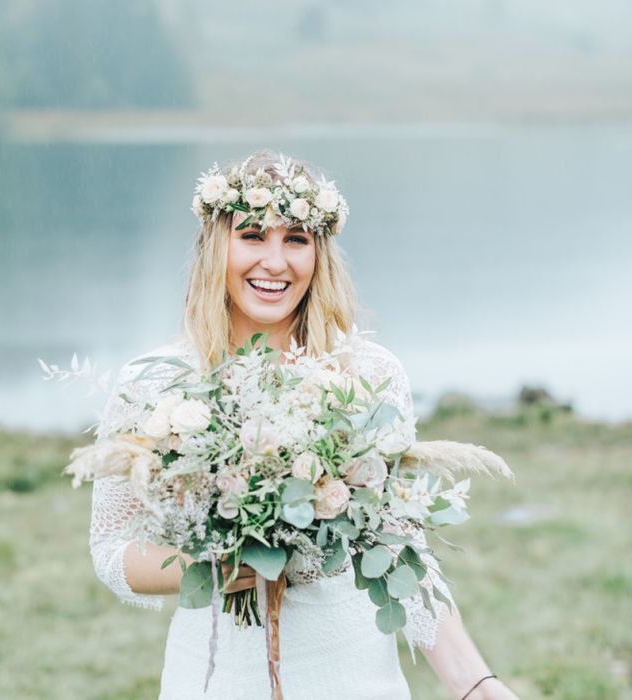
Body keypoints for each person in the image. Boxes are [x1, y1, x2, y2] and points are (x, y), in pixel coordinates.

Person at [88, 150, 519, 699]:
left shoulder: (369, 375)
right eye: (251, 236)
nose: (275, 262)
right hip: (215, 677)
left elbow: (403, 548)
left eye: (296, 239)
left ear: (320, 253)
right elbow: (109, 549)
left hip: (351, 673)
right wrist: (215, 564)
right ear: (215, 245)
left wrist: (475, 683)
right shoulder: (152, 384)